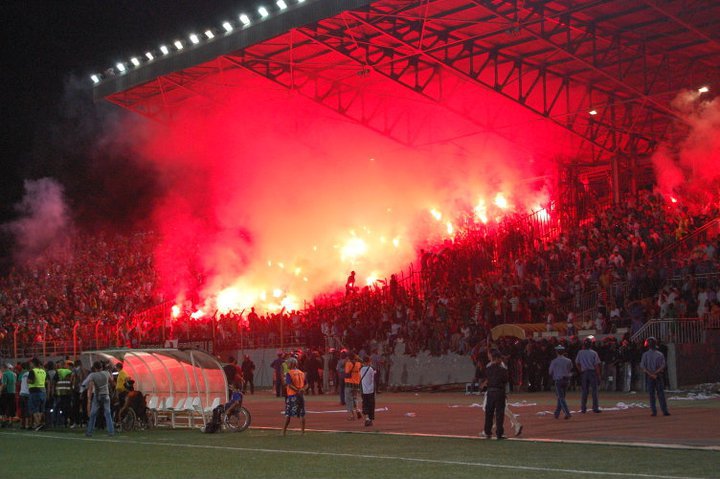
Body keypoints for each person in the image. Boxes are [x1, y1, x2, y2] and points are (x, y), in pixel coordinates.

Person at [482, 350, 509, 439]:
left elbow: (486, 380)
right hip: (499, 392)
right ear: (497, 358)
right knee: (499, 413)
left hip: (490, 392)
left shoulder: (488, 369)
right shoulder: (503, 370)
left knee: (489, 413)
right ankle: (499, 433)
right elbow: (505, 381)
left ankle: (487, 431)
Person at [640, 337, 671, 417]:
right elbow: (663, 366)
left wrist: (650, 374)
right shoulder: (660, 354)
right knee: (661, 394)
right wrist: (655, 373)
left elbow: (643, 367)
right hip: (658, 376)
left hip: (650, 376)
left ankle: (654, 411)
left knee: (651, 394)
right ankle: (664, 411)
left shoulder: (645, 354)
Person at [84, 361, 115, 437]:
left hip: (97, 395)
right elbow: (112, 383)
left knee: (93, 414)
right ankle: (111, 431)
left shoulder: (93, 375)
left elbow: (88, 385)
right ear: (101, 367)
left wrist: (89, 399)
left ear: (94, 368)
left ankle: (89, 432)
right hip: (106, 395)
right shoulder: (106, 373)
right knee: (108, 413)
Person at [575, 337, 602, 413]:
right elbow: (596, 365)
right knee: (594, 391)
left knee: (584, 391)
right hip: (592, 372)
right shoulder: (594, 353)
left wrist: (580, 370)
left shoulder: (580, 352)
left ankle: (583, 408)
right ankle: (595, 408)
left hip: (584, 372)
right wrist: (599, 375)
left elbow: (577, 363)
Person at [282, 357, 307, 436]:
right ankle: (302, 432)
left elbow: (289, 385)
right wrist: (302, 389)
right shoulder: (301, 373)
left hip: (292, 395)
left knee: (288, 414)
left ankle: (284, 431)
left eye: (288, 363)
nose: (287, 364)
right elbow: (307, 384)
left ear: (291, 364)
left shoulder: (289, 373)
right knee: (302, 414)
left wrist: (297, 390)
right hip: (301, 396)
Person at [548, 345, 573, 419]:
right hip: (566, 380)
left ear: (556, 352)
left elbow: (550, 372)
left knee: (561, 397)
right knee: (561, 397)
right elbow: (570, 369)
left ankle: (567, 413)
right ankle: (557, 413)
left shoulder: (554, 361)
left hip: (558, 380)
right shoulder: (568, 360)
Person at [26, 357, 47, 431]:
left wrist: (27, 381)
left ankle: (38, 424)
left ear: (33, 363)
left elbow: (31, 381)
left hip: (35, 392)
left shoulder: (32, 371)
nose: (30, 364)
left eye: (31, 363)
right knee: (41, 409)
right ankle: (41, 423)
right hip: (43, 391)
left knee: (34, 409)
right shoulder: (43, 371)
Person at [344, 353, 362, 421]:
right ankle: (357, 410)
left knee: (349, 400)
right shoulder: (358, 363)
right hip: (356, 383)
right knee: (355, 398)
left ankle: (352, 415)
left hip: (349, 383)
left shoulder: (348, 363)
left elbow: (346, 372)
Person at [360, 356, 376, 427]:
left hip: (364, 390)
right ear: (368, 361)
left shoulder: (361, 369)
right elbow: (372, 377)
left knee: (365, 404)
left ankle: (366, 418)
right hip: (370, 390)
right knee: (371, 405)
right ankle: (370, 419)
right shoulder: (370, 369)